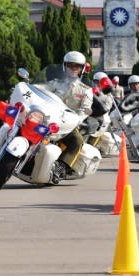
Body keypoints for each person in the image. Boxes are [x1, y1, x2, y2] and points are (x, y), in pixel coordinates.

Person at [44, 50, 93, 179]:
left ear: (82, 69)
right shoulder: (55, 83)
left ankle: (60, 167)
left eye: (76, 66)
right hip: (48, 119)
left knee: (77, 141)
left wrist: (78, 120)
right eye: (70, 65)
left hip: (68, 124)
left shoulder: (86, 90)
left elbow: (85, 109)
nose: (73, 68)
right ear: (64, 66)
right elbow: (41, 91)